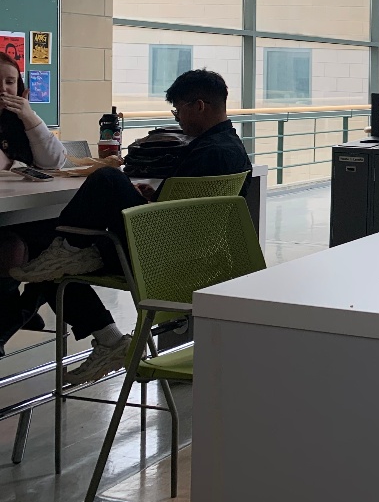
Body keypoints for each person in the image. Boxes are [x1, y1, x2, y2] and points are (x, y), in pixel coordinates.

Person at [7, 69, 251, 383]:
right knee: (50, 265)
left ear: (199, 106)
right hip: (190, 258)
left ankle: (61, 262)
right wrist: (154, 199)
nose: (177, 119)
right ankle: (102, 328)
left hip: (156, 257)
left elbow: (172, 223)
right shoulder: (229, 148)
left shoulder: (208, 152)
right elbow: (189, 213)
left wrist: (149, 203)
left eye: (178, 110)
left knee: (105, 180)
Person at [0, 52, 68, 354]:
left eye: (10, 82)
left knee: (61, 247)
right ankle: (16, 315)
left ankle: (16, 315)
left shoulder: (20, 120)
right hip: (7, 218)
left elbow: (56, 163)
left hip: (25, 213)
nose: (3, 88)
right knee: (15, 249)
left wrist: (31, 117)